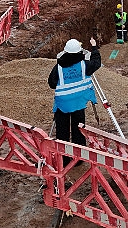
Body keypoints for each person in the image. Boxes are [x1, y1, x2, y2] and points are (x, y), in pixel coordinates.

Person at [48, 37, 101, 166]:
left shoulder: (59, 66)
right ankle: (79, 158)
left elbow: (52, 83)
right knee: (78, 130)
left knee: (62, 131)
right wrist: (94, 47)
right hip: (78, 102)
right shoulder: (84, 65)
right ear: (79, 51)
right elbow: (96, 62)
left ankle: (64, 159)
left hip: (62, 104)